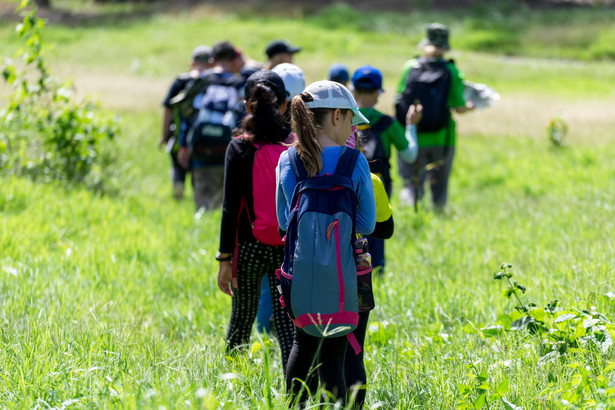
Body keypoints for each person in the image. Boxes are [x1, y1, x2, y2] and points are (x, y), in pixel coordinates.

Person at [276, 80, 376, 406]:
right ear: (336, 116)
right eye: (350, 118)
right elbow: (367, 224)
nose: (352, 126)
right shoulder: (354, 161)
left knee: (301, 347)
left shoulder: (287, 160)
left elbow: (282, 221)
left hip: (299, 273)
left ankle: (293, 406)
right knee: (335, 352)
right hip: (342, 272)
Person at [343, 104, 421, 409]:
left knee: (309, 346)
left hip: (307, 270)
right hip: (356, 275)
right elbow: (383, 230)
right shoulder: (368, 176)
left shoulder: (295, 165)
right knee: (353, 348)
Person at [216, 70, 295, 371]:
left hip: (249, 248)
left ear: (247, 105)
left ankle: (234, 381)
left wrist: (225, 259)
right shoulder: (294, 146)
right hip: (287, 249)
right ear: (285, 105)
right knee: (288, 324)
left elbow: (229, 209)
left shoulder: (239, 147)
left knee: (242, 317)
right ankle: (295, 390)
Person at [396, 23, 475, 209]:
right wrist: (473, 106)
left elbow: (399, 101)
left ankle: (411, 219)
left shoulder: (409, 67)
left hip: (412, 138)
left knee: (412, 186)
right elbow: (458, 107)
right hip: (442, 139)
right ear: (446, 46)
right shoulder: (452, 71)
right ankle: (438, 217)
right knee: (439, 188)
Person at [253, 62, 306, 336]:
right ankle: (289, 337)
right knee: (289, 284)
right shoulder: (301, 137)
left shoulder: (252, 137)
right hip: (294, 228)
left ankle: (263, 337)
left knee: (265, 286)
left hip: (260, 228)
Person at [351, 65, 419, 273]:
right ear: (378, 93)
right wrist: (411, 125)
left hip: (347, 183)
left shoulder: (342, 119)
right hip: (377, 185)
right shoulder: (387, 123)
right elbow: (410, 155)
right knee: (377, 227)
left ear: (353, 90)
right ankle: (376, 269)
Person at [176, 41, 245, 213]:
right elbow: (244, 118)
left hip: (200, 145)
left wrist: (183, 144)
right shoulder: (239, 84)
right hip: (227, 146)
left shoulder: (202, 80)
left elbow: (187, 115)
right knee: (223, 198)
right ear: (234, 61)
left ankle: (200, 223)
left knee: (201, 192)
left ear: (212, 60)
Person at [160, 45, 212, 200]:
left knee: (178, 167)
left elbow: (168, 109)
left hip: (177, 135)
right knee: (199, 169)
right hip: (202, 137)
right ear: (211, 63)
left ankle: (178, 190)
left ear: (192, 63)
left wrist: (163, 135)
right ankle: (199, 199)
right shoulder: (211, 81)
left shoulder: (180, 81)